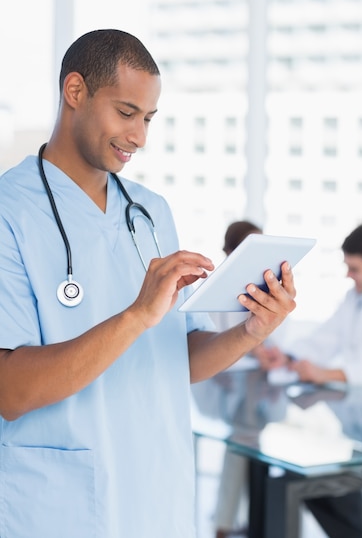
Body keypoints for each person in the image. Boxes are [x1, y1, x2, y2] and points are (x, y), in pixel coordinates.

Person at [0, 29, 296, 538]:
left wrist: (251, 332)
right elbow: (11, 391)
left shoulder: (150, 213)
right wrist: (137, 314)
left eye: (149, 119)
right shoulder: (10, 212)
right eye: (126, 112)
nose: (139, 136)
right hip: (60, 508)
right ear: (75, 92)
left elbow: (177, 360)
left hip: (157, 495)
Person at [273, 221, 362, 538]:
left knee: (340, 493)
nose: (349, 276)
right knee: (317, 487)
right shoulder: (356, 299)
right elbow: (326, 338)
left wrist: (330, 374)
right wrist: (290, 357)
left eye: (355, 268)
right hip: (361, 421)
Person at [211, 220, 284, 538]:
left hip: (257, 390)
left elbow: (276, 337)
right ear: (230, 252)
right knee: (242, 440)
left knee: (249, 444)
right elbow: (210, 341)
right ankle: (228, 524)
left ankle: (235, 523)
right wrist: (255, 351)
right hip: (223, 387)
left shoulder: (267, 287)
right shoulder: (214, 289)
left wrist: (272, 354)